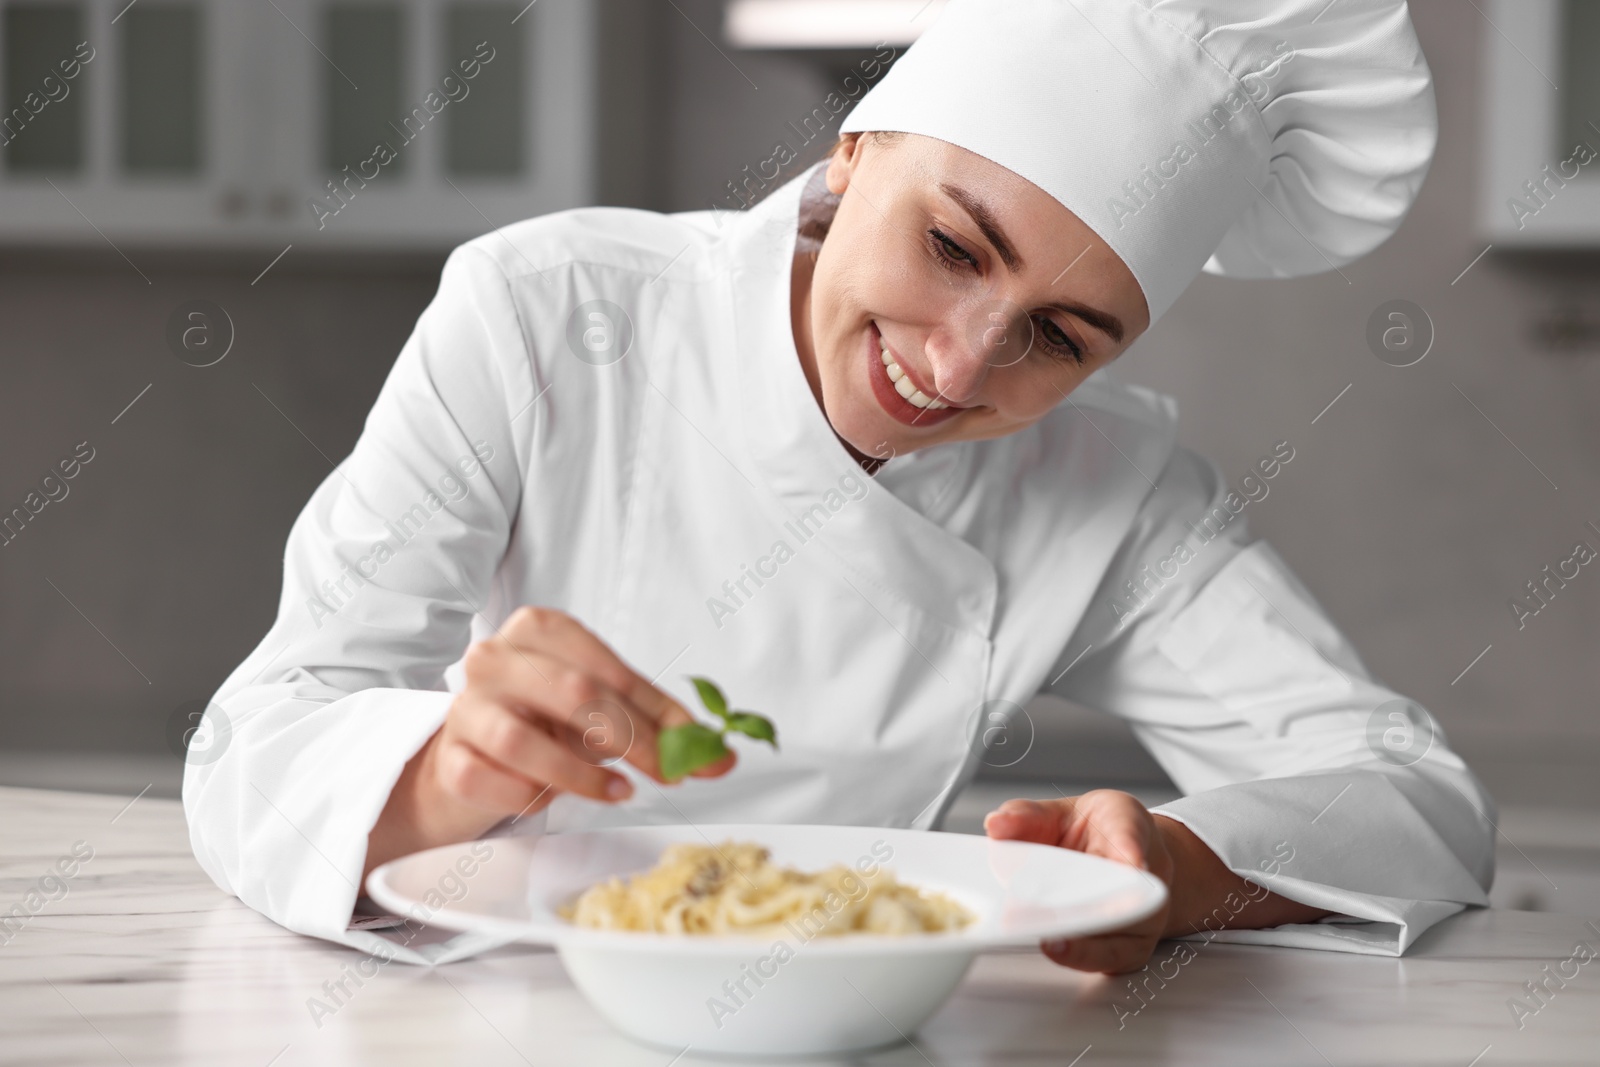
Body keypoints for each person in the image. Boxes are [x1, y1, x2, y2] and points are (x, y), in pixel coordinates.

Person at [184, 0, 1494, 972]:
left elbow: (1410, 796)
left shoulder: (1116, 492)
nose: (960, 359)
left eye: (1063, 335)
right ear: (857, 152)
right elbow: (266, 738)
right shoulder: (544, 315)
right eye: (951, 245)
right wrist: (441, 777)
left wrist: (1176, 869)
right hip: (493, 1012)